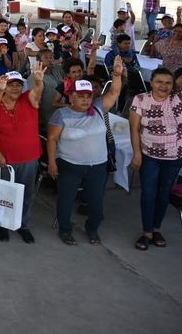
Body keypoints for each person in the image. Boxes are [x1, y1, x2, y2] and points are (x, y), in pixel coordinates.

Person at [47, 61, 124, 246]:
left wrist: (117, 75)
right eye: (79, 96)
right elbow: (51, 140)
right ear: (70, 96)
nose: (85, 99)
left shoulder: (98, 107)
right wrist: (52, 162)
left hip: (98, 166)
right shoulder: (61, 115)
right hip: (70, 165)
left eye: (88, 96)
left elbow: (114, 92)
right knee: (66, 200)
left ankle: (92, 229)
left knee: (96, 202)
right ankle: (65, 230)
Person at [130, 67, 182, 250]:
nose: (163, 86)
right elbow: (134, 129)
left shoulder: (181, 99)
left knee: (164, 193)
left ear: (173, 84)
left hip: (175, 156)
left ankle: (156, 228)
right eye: (159, 82)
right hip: (149, 155)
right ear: (151, 82)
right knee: (149, 193)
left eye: (168, 82)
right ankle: (146, 232)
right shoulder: (140, 99)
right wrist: (137, 153)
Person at [0, 67, 45, 243]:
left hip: (29, 157)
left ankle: (22, 225)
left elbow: (37, 92)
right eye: (11, 85)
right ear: (3, 86)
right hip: (4, 160)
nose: (15, 88)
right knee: (4, 194)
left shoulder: (28, 99)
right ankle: (2, 225)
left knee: (26, 193)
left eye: (19, 85)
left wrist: (39, 81)